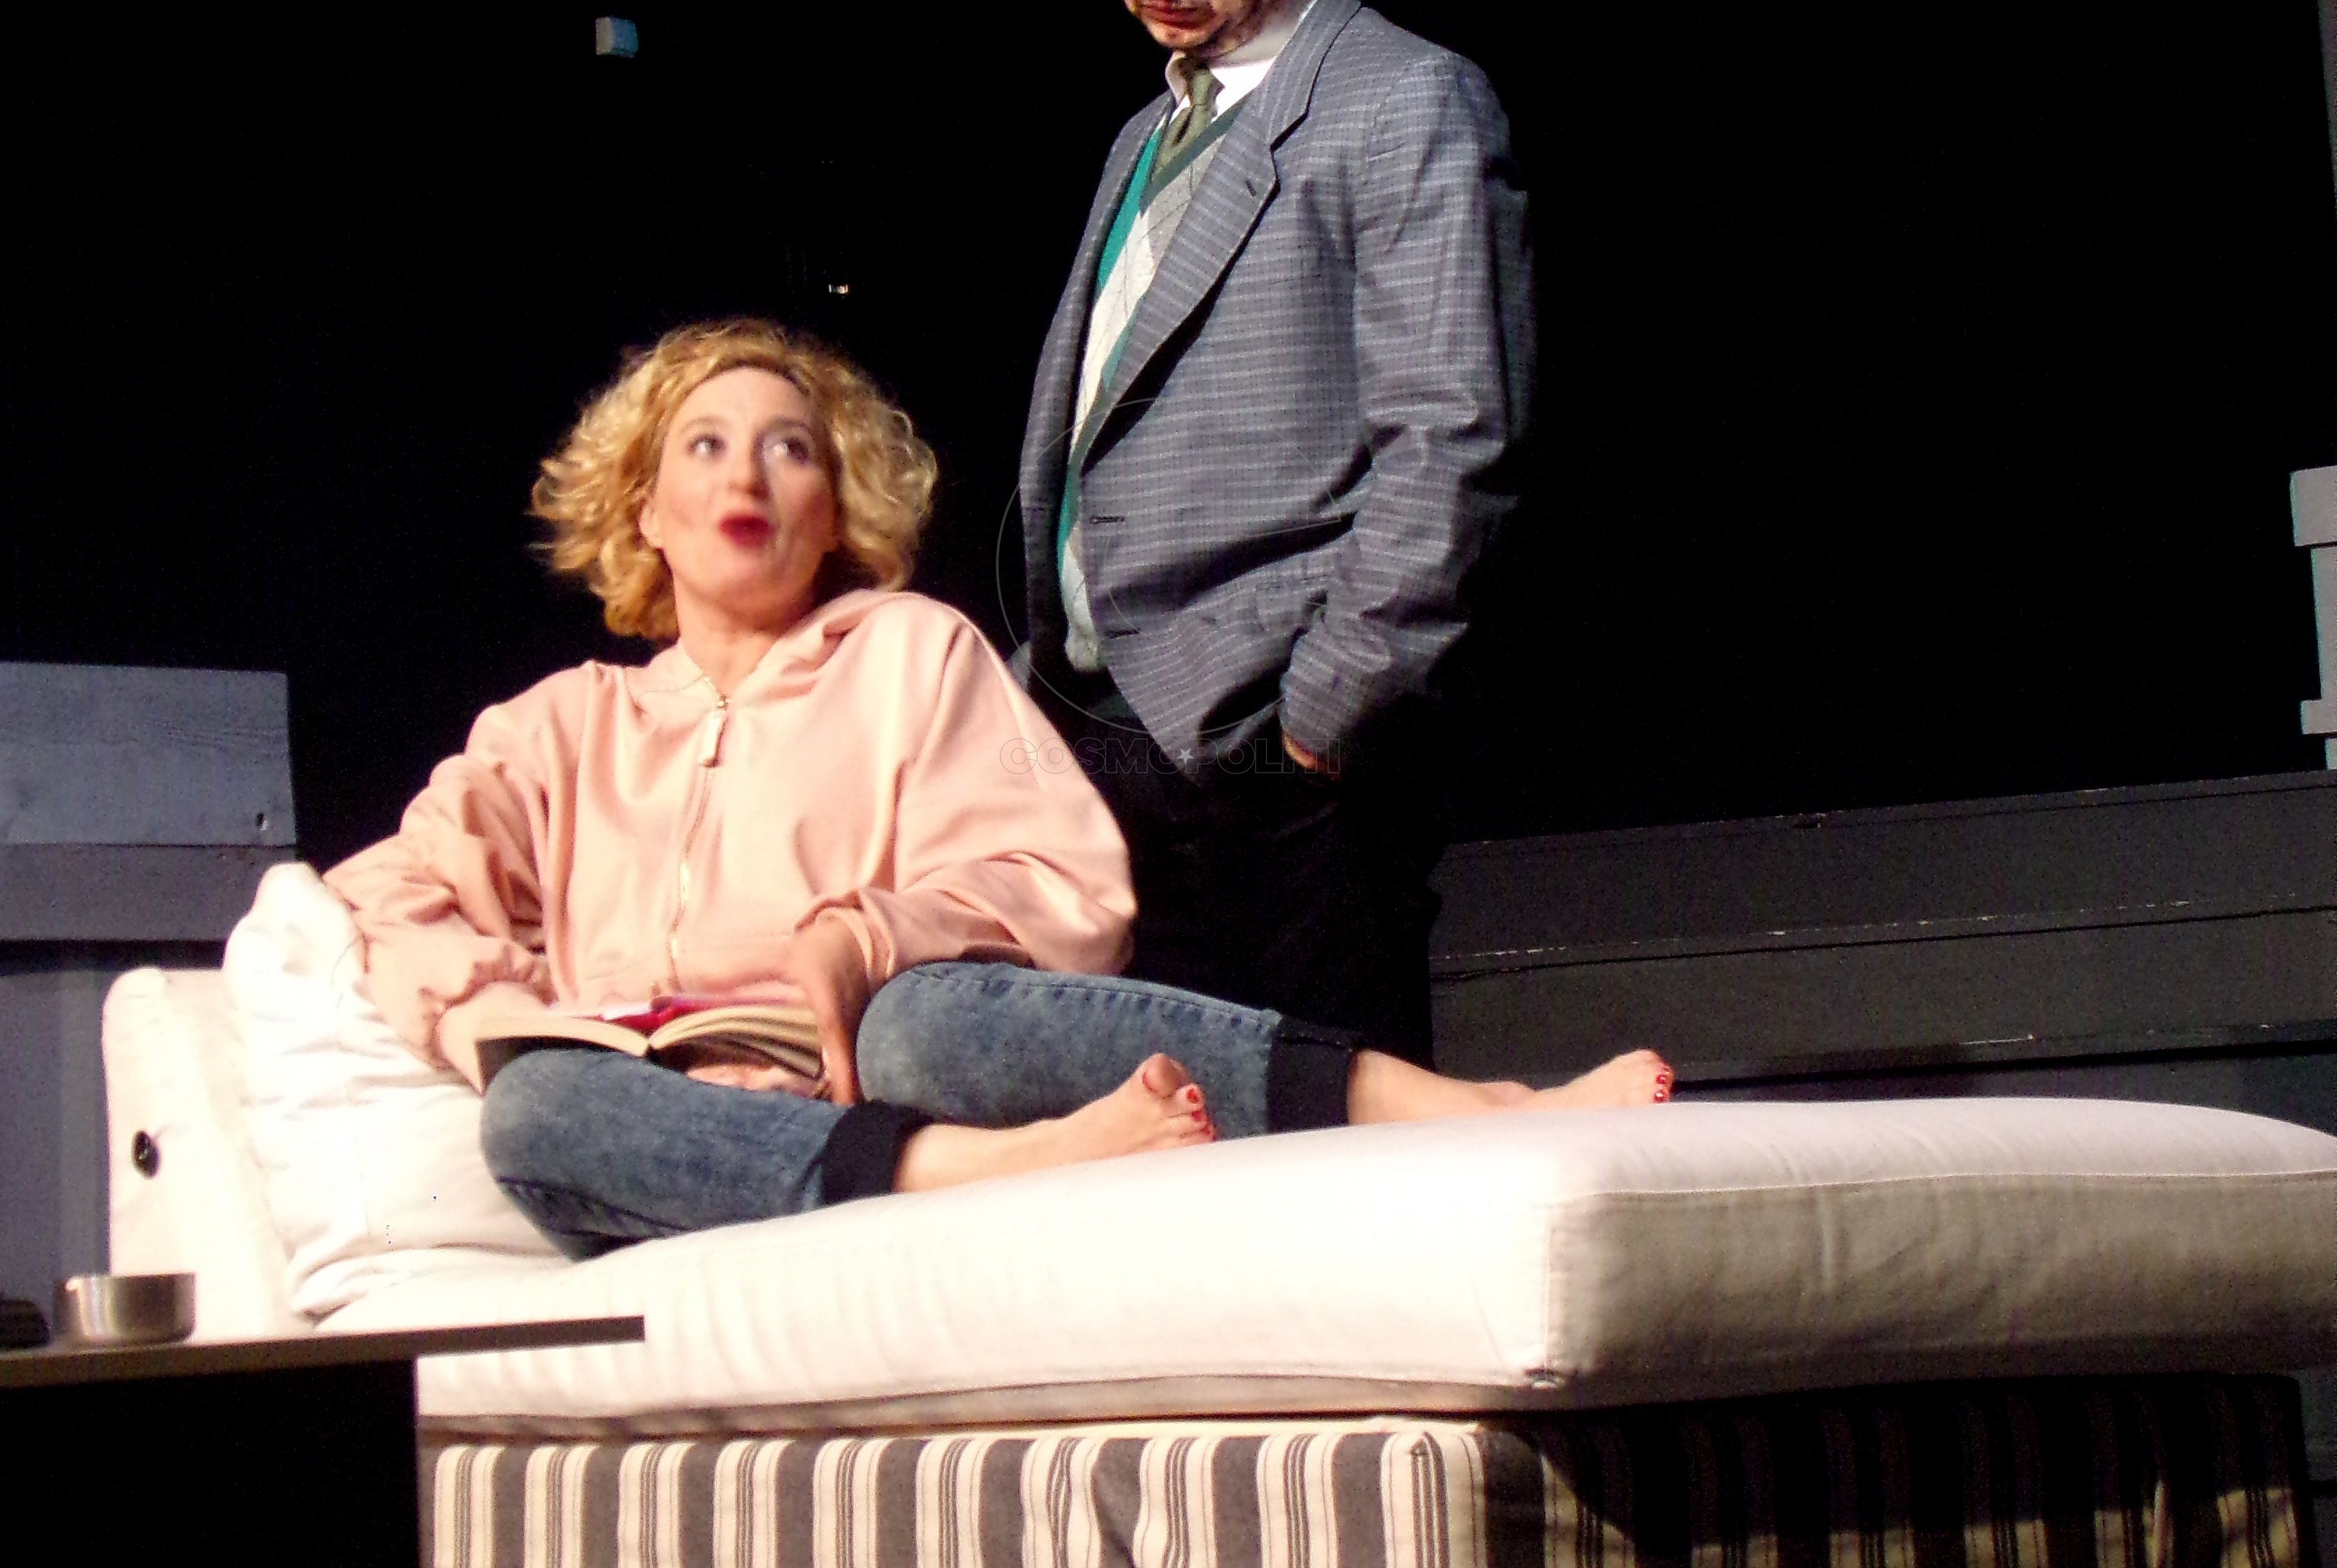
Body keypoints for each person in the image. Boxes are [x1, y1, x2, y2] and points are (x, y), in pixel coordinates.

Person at [329, 321, 1663, 1259]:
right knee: (533, 1106)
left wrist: (866, 938)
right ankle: (981, 1174)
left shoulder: (913, 650)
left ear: (836, 512)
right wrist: (514, 1014)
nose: (747, 473)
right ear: (645, 514)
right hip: (680, 1130)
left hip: (868, 1074)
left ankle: (1474, 1108)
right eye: (708, 446)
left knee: (920, 1019)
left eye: (791, 450)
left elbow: (1066, 886)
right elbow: (387, 891)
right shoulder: (560, 729)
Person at [1018, 0, 1536, 1066]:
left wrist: (1317, 726)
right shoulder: (1149, 131)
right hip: (1105, 747)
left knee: (1330, 1145)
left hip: (1274, 755)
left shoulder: (1404, 99)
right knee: (1159, 1149)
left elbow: (1453, 444)